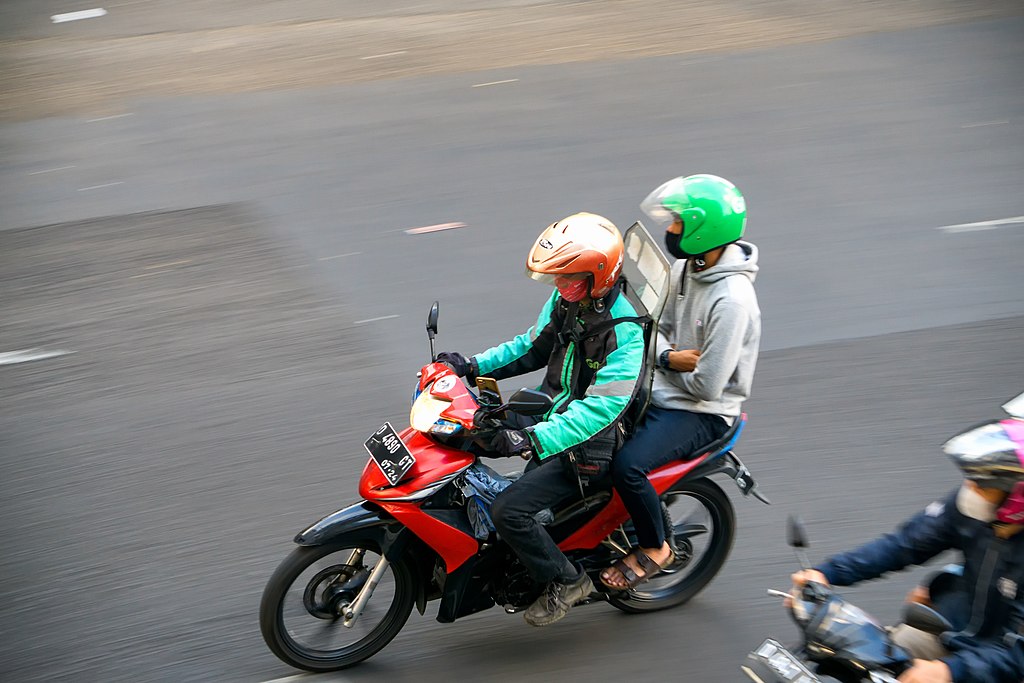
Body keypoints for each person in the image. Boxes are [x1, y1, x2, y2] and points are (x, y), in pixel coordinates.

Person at [436, 212, 647, 626]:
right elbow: (530, 347)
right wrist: (470, 364)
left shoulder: (624, 334)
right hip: (551, 415)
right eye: (557, 278)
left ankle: (567, 581)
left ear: (599, 275)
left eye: (569, 278)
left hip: (586, 446)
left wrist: (529, 440)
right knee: (467, 432)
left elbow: (598, 412)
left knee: (508, 511)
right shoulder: (571, 300)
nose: (560, 287)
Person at [599, 174, 761, 590]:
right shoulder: (685, 267)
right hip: (666, 387)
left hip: (702, 413)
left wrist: (662, 363)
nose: (669, 230)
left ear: (703, 230)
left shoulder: (732, 301)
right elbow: (654, 331)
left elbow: (707, 386)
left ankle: (655, 547)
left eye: (676, 223)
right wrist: (670, 358)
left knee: (628, 466)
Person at [789, 431, 1024, 683]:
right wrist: (826, 573)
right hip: (949, 631)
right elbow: (903, 544)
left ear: (1016, 495)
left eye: (982, 484)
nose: (970, 489)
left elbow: (1018, 656)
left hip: (999, 664)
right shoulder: (974, 512)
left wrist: (949, 671)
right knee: (853, 659)